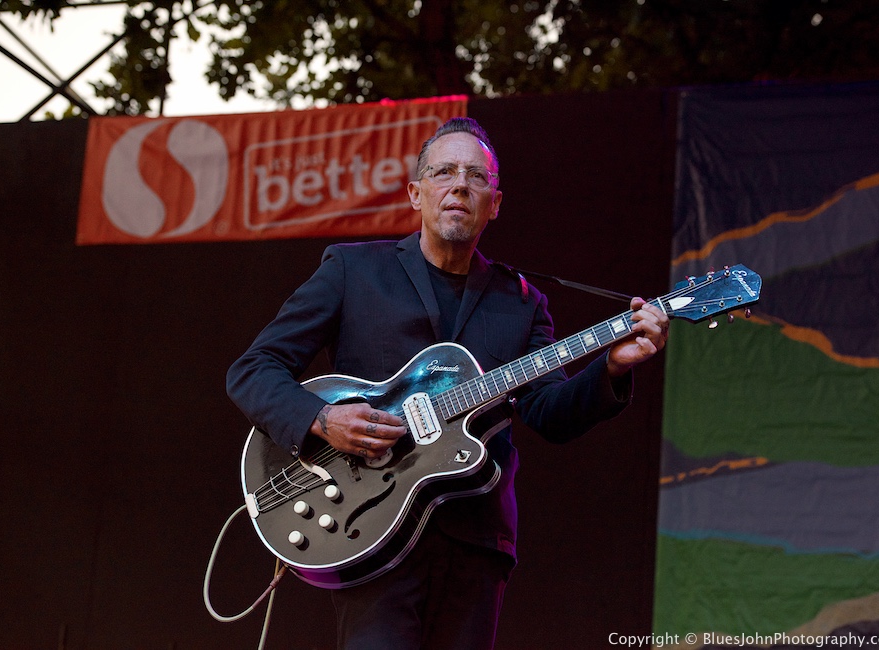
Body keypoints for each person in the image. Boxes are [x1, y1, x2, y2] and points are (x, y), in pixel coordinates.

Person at [226, 117, 668, 650]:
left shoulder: (523, 302)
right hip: (368, 528)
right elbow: (254, 369)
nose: (460, 184)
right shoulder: (352, 270)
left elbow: (550, 413)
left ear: (495, 202)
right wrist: (322, 420)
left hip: (475, 545)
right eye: (444, 171)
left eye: (476, 176)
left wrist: (613, 367)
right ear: (416, 193)